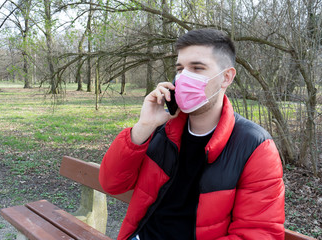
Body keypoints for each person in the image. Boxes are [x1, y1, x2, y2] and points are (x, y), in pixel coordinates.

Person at [99, 28, 285, 240]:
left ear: (226, 77)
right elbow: (111, 183)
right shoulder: (161, 129)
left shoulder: (254, 146)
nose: (183, 78)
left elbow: (258, 234)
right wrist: (144, 126)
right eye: (180, 69)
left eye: (197, 68)